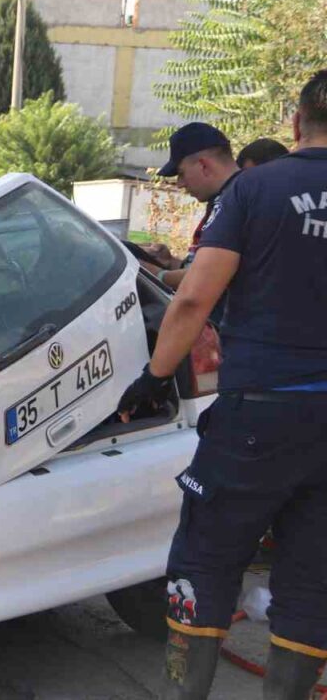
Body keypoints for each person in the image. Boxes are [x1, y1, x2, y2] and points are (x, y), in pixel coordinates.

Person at [116, 69, 327, 699]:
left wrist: (154, 377)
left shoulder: (256, 190)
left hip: (260, 414)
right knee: (313, 580)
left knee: (205, 559)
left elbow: (192, 300)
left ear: (296, 122)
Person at [152, 123, 240, 291]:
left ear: (203, 165)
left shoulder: (235, 203)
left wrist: (157, 275)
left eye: (181, 173)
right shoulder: (226, 198)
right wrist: (171, 262)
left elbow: (209, 277)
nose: (180, 184)